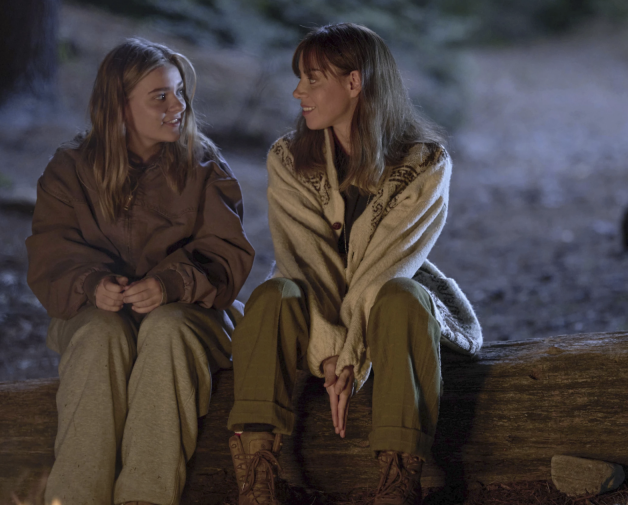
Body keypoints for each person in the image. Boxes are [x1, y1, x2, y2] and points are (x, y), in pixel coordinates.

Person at [227, 23, 482, 505]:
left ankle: (398, 476)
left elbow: (386, 268)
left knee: (401, 296)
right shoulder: (288, 158)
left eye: (313, 79)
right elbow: (305, 261)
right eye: (299, 78)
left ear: (354, 82)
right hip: (314, 307)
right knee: (272, 295)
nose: (298, 91)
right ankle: (258, 475)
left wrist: (350, 357)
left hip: (387, 310)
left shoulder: (426, 163)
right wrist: (329, 351)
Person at [26, 38, 255, 505]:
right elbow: (50, 252)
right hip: (96, 312)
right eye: (160, 97)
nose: (178, 106)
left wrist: (171, 283)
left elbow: (226, 253)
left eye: (179, 92)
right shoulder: (70, 169)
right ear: (119, 107)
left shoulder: (204, 166)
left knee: (166, 330)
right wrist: (92, 284)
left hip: (192, 312)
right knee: (99, 336)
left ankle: (144, 497)